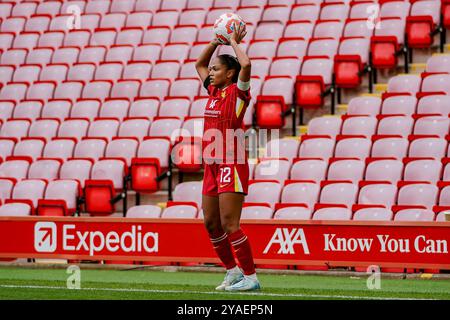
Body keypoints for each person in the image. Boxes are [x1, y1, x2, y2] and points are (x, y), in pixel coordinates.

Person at [195, 22, 260, 292]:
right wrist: (215, 40)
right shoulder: (213, 91)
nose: (210, 73)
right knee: (211, 223)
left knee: (229, 223)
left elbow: (246, 64)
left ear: (230, 73)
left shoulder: (237, 92)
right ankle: (232, 272)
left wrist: (232, 41)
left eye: (216, 69)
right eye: (212, 70)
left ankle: (251, 277)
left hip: (231, 162)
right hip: (211, 163)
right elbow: (199, 64)